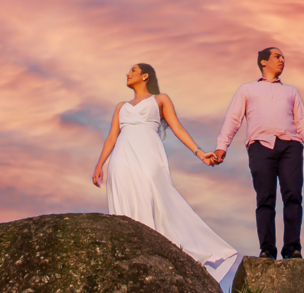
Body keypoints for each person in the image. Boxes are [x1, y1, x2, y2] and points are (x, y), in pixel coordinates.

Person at [93, 62, 242, 292]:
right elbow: (112, 138)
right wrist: (100, 165)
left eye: (132, 70)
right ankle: (130, 254)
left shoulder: (160, 100)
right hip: (121, 159)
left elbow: (178, 128)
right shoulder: (120, 107)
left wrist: (200, 153)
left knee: (155, 196)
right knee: (126, 204)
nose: (127, 73)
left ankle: (157, 252)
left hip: (149, 153)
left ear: (145, 76)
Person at [209, 47, 304, 261]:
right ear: (263, 62)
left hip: (291, 146)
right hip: (260, 146)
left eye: (283, 57)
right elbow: (233, 119)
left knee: (293, 196)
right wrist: (222, 147)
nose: (282, 60)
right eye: (277, 56)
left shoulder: (291, 92)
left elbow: (302, 121)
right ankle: (267, 250)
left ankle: (292, 249)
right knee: (265, 199)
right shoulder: (247, 90)